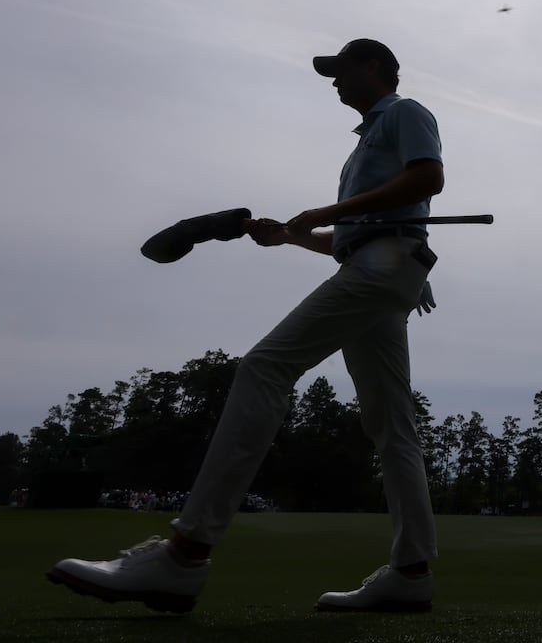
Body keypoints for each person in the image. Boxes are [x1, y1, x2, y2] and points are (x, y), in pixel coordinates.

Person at [48, 39, 445, 614]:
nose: (333, 80)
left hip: (386, 267)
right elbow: (350, 240)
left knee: (267, 365)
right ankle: (411, 573)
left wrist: (327, 212)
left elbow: (428, 179)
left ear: (375, 67)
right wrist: (288, 234)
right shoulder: (359, 149)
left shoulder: (405, 112)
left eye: (341, 70)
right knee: (392, 427)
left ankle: (185, 555)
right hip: (377, 267)